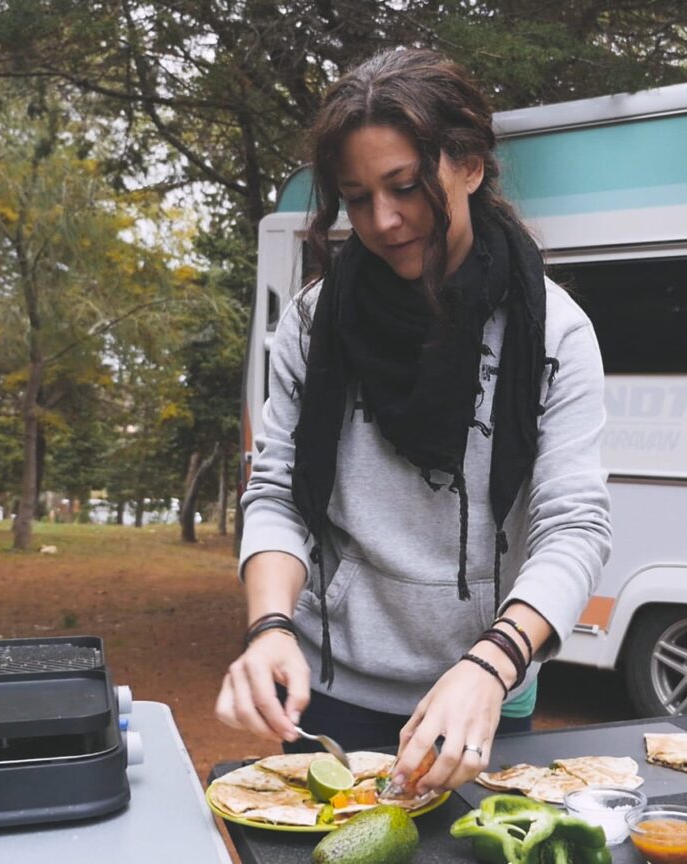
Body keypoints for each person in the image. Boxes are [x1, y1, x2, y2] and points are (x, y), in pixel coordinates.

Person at [214, 47, 611, 796]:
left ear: (468, 165)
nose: (383, 221)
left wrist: (492, 664)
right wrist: (269, 626)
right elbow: (275, 494)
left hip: (484, 693)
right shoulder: (311, 323)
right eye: (356, 198)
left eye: (404, 188)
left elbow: (574, 527)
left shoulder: (554, 332)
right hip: (331, 691)